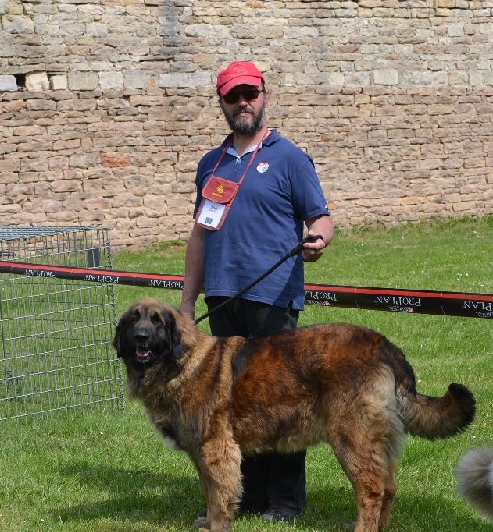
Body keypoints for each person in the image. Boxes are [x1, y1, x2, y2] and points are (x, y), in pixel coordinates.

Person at [180, 60, 334, 523]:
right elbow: (199, 235)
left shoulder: (290, 158)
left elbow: (320, 217)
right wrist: (187, 302)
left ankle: (285, 500)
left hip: (273, 296)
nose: (242, 103)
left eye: (250, 93)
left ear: (264, 95)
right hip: (222, 299)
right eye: (233, 96)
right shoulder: (211, 164)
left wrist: (319, 240)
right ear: (221, 102)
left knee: (281, 400)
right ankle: (244, 495)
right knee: (231, 404)